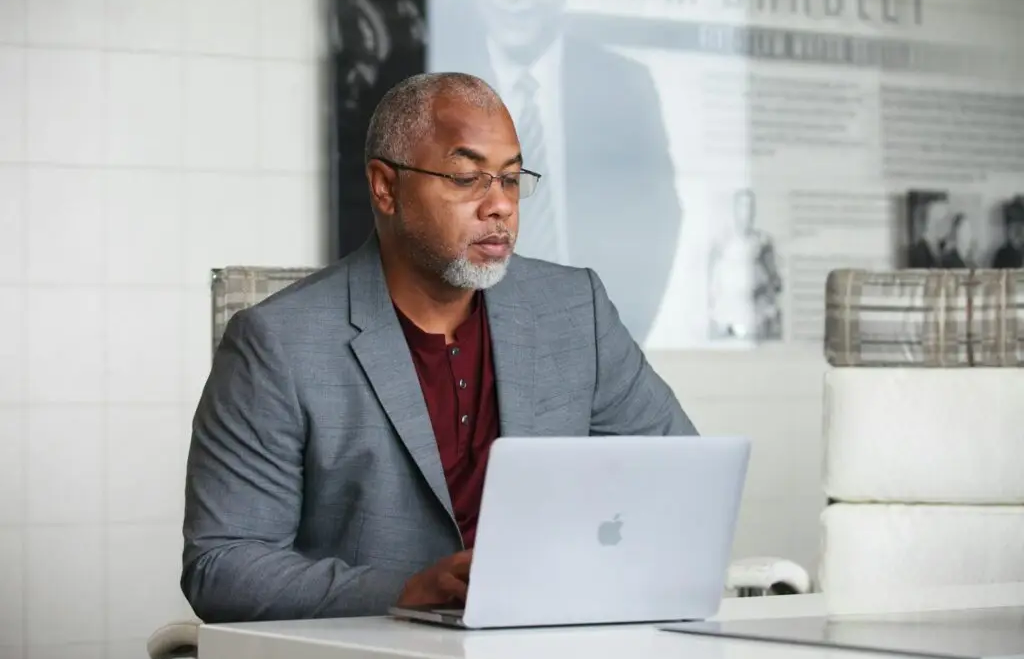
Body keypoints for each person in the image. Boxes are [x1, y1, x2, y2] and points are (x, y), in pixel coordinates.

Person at [181, 72, 698, 623]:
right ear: (385, 186)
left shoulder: (574, 309)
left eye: (511, 178)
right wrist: (406, 591)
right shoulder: (278, 343)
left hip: (551, 638)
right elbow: (223, 566)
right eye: (466, 178)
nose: (499, 205)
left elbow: (681, 477)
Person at [427, 0, 683, 346]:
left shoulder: (624, 86)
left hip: (586, 347)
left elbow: (657, 223)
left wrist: (615, 345)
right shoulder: (429, 91)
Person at [708, 190, 782, 341]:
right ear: (735, 209)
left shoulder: (763, 243)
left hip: (755, 322)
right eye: (742, 206)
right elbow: (712, 285)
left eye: (750, 207)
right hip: (727, 320)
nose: (746, 212)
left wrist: (769, 306)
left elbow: (775, 282)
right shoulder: (722, 243)